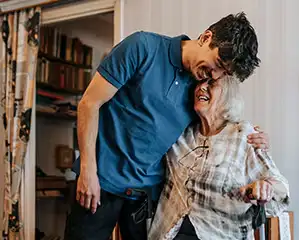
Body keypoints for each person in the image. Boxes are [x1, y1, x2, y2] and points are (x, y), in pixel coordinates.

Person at [64, 12, 269, 240]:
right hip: (101, 180)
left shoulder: (199, 87)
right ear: (206, 37)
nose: (215, 75)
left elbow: (212, 129)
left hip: (145, 194)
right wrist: (87, 171)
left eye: (224, 72)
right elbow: (89, 104)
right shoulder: (143, 47)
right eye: (217, 64)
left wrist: (252, 137)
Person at [148, 76, 290, 240]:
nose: (202, 87)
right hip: (168, 234)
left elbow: (281, 190)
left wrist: (265, 187)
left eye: (211, 83)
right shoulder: (179, 133)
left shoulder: (243, 135)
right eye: (199, 83)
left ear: (228, 96)